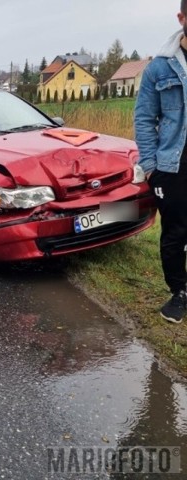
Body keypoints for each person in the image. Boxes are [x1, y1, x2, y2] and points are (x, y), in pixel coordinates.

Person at [134, 0, 187, 324]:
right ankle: (179, 292)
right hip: (172, 166)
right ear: (182, 18)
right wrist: (151, 167)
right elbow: (143, 119)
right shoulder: (160, 68)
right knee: (176, 232)